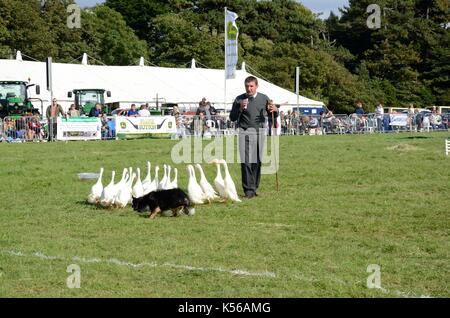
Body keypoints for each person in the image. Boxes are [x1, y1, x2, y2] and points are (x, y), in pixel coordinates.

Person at [230, 76, 278, 199]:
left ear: (256, 86)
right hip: (244, 133)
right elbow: (232, 117)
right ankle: (249, 190)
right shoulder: (239, 99)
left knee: (256, 162)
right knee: (246, 162)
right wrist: (239, 108)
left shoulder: (264, 98)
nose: (249, 89)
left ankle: (254, 186)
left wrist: (275, 110)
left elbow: (272, 113)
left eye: (251, 86)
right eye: (247, 86)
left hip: (260, 133)